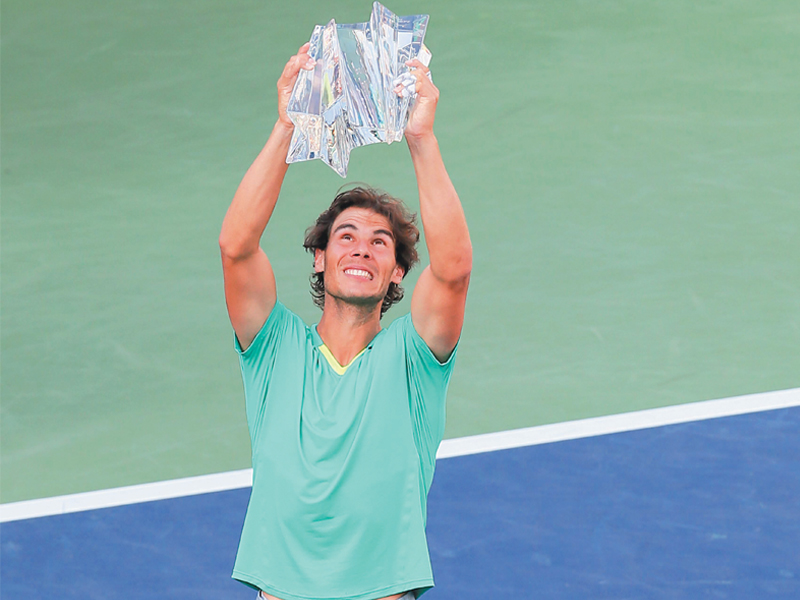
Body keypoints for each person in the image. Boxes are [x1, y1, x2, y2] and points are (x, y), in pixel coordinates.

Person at [219, 42, 472, 600]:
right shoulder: (274, 347)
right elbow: (236, 248)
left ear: (398, 274)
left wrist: (422, 140)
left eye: (381, 243)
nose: (362, 249)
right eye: (346, 237)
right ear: (320, 257)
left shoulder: (414, 359)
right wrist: (287, 126)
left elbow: (453, 272)